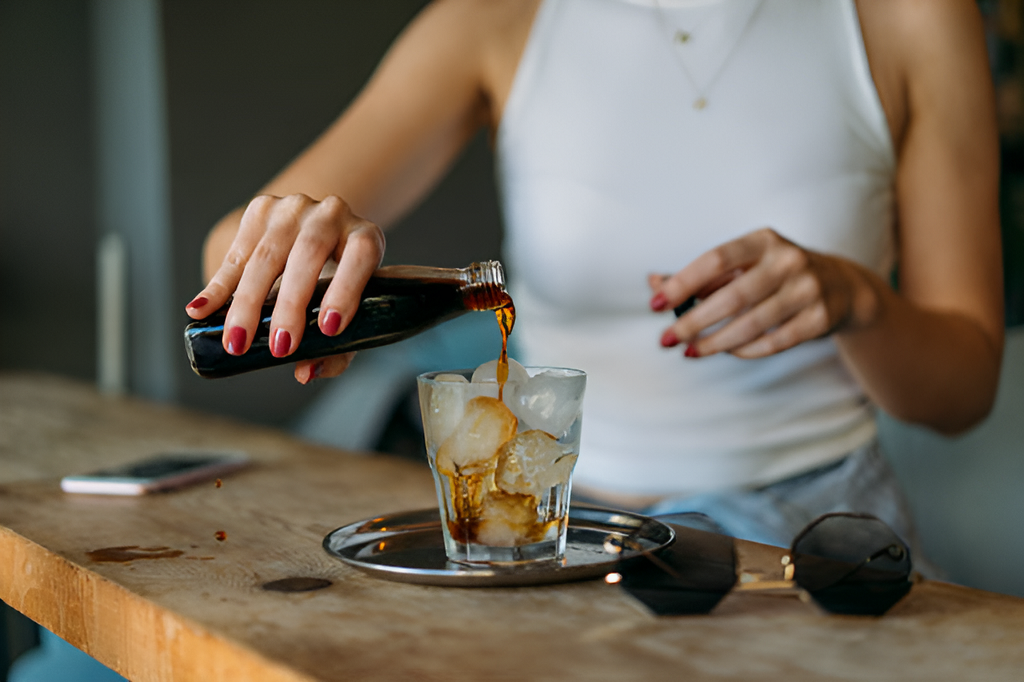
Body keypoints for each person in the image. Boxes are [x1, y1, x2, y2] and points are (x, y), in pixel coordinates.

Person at [185, 0, 1003, 552]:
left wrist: (856, 300)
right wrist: (289, 244)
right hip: (558, 530)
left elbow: (963, 392)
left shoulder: (914, 18)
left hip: (810, 532)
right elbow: (230, 248)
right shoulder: (497, 18)